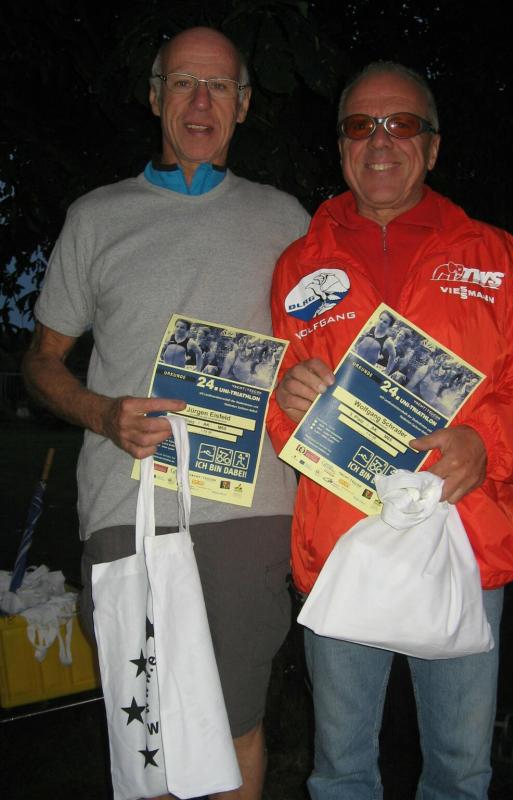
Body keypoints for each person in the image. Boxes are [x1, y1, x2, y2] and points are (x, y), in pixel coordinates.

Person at [268, 62, 513, 799]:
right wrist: (288, 401)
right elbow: (281, 407)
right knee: (341, 774)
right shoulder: (298, 265)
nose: (380, 140)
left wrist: (485, 444)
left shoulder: (496, 258)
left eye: (402, 124)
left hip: (465, 544)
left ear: (433, 147)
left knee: (460, 774)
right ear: (341, 146)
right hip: (343, 547)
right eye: (360, 126)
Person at [22, 27, 311, 800]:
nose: (201, 101)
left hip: (249, 511)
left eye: (219, 86)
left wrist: (508, 296)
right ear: (155, 98)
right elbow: (41, 362)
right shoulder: (96, 217)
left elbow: (352, 323)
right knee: (146, 737)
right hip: (129, 507)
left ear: (243, 105)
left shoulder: (288, 219)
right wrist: (102, 413)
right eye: (183, 82)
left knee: (236, 726)